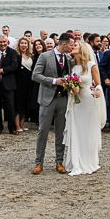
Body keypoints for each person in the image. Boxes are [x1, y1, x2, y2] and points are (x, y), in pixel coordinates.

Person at [31, 32, 76, 174]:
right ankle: (39, 162)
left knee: (61, 131)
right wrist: (53, 81)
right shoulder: (45, 56)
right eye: (71, 45)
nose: (72, 47)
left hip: (63, 98)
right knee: (43, 130)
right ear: (64, 44)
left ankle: (59, 161)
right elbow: (35, 75)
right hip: (47, 98)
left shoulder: (68, 58)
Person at [63, 40, 106, 176]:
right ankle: (76, 161)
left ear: (81, 49)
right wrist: (70, 88)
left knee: (87, 129)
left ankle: (89, 161)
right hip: (75, 101)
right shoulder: (71, 66)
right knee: (76, 129)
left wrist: (97, 91)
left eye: (75, 45)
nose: (72, 47)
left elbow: (98, 84)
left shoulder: (91, 65)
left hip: (87, 100)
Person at [0, 36, 19, 135]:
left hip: (8, 83)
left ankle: (12, 127)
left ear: (8, 42)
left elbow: (14, 66)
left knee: (10, 107)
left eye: (4, 42)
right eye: (0, 42)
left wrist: (0, 71)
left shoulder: (12, 52)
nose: (2, 44)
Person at [14, 37, 34, 132]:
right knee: (18, 104)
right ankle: (17, 125)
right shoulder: (16, 56)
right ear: (19, 45)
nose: (23, 45)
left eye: (25, 43)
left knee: (25, 103)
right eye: (21, 43)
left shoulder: (30, 56)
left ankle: (22, 124)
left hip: (28, 83)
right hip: (18, 83)